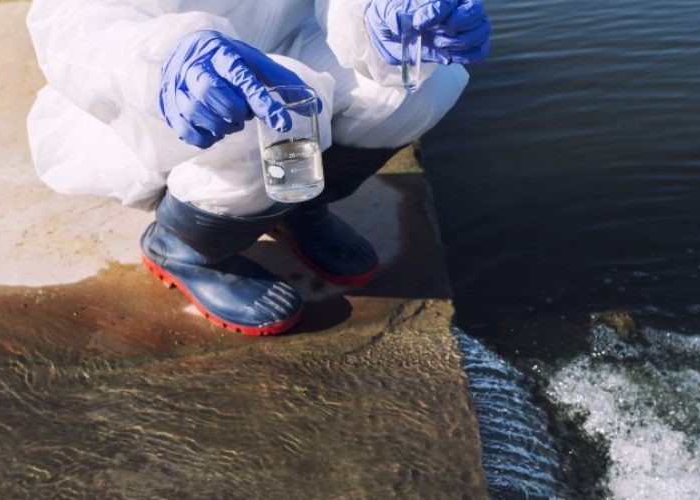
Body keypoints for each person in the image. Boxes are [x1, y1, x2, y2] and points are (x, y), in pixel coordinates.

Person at [26, 0, 490, 335]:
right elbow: (70, 22)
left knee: (420, 81)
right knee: (261, 114)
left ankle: (295, 207)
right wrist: (167, 60)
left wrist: (388, 14)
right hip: (159, 85)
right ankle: (186, 246)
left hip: (288, 44)